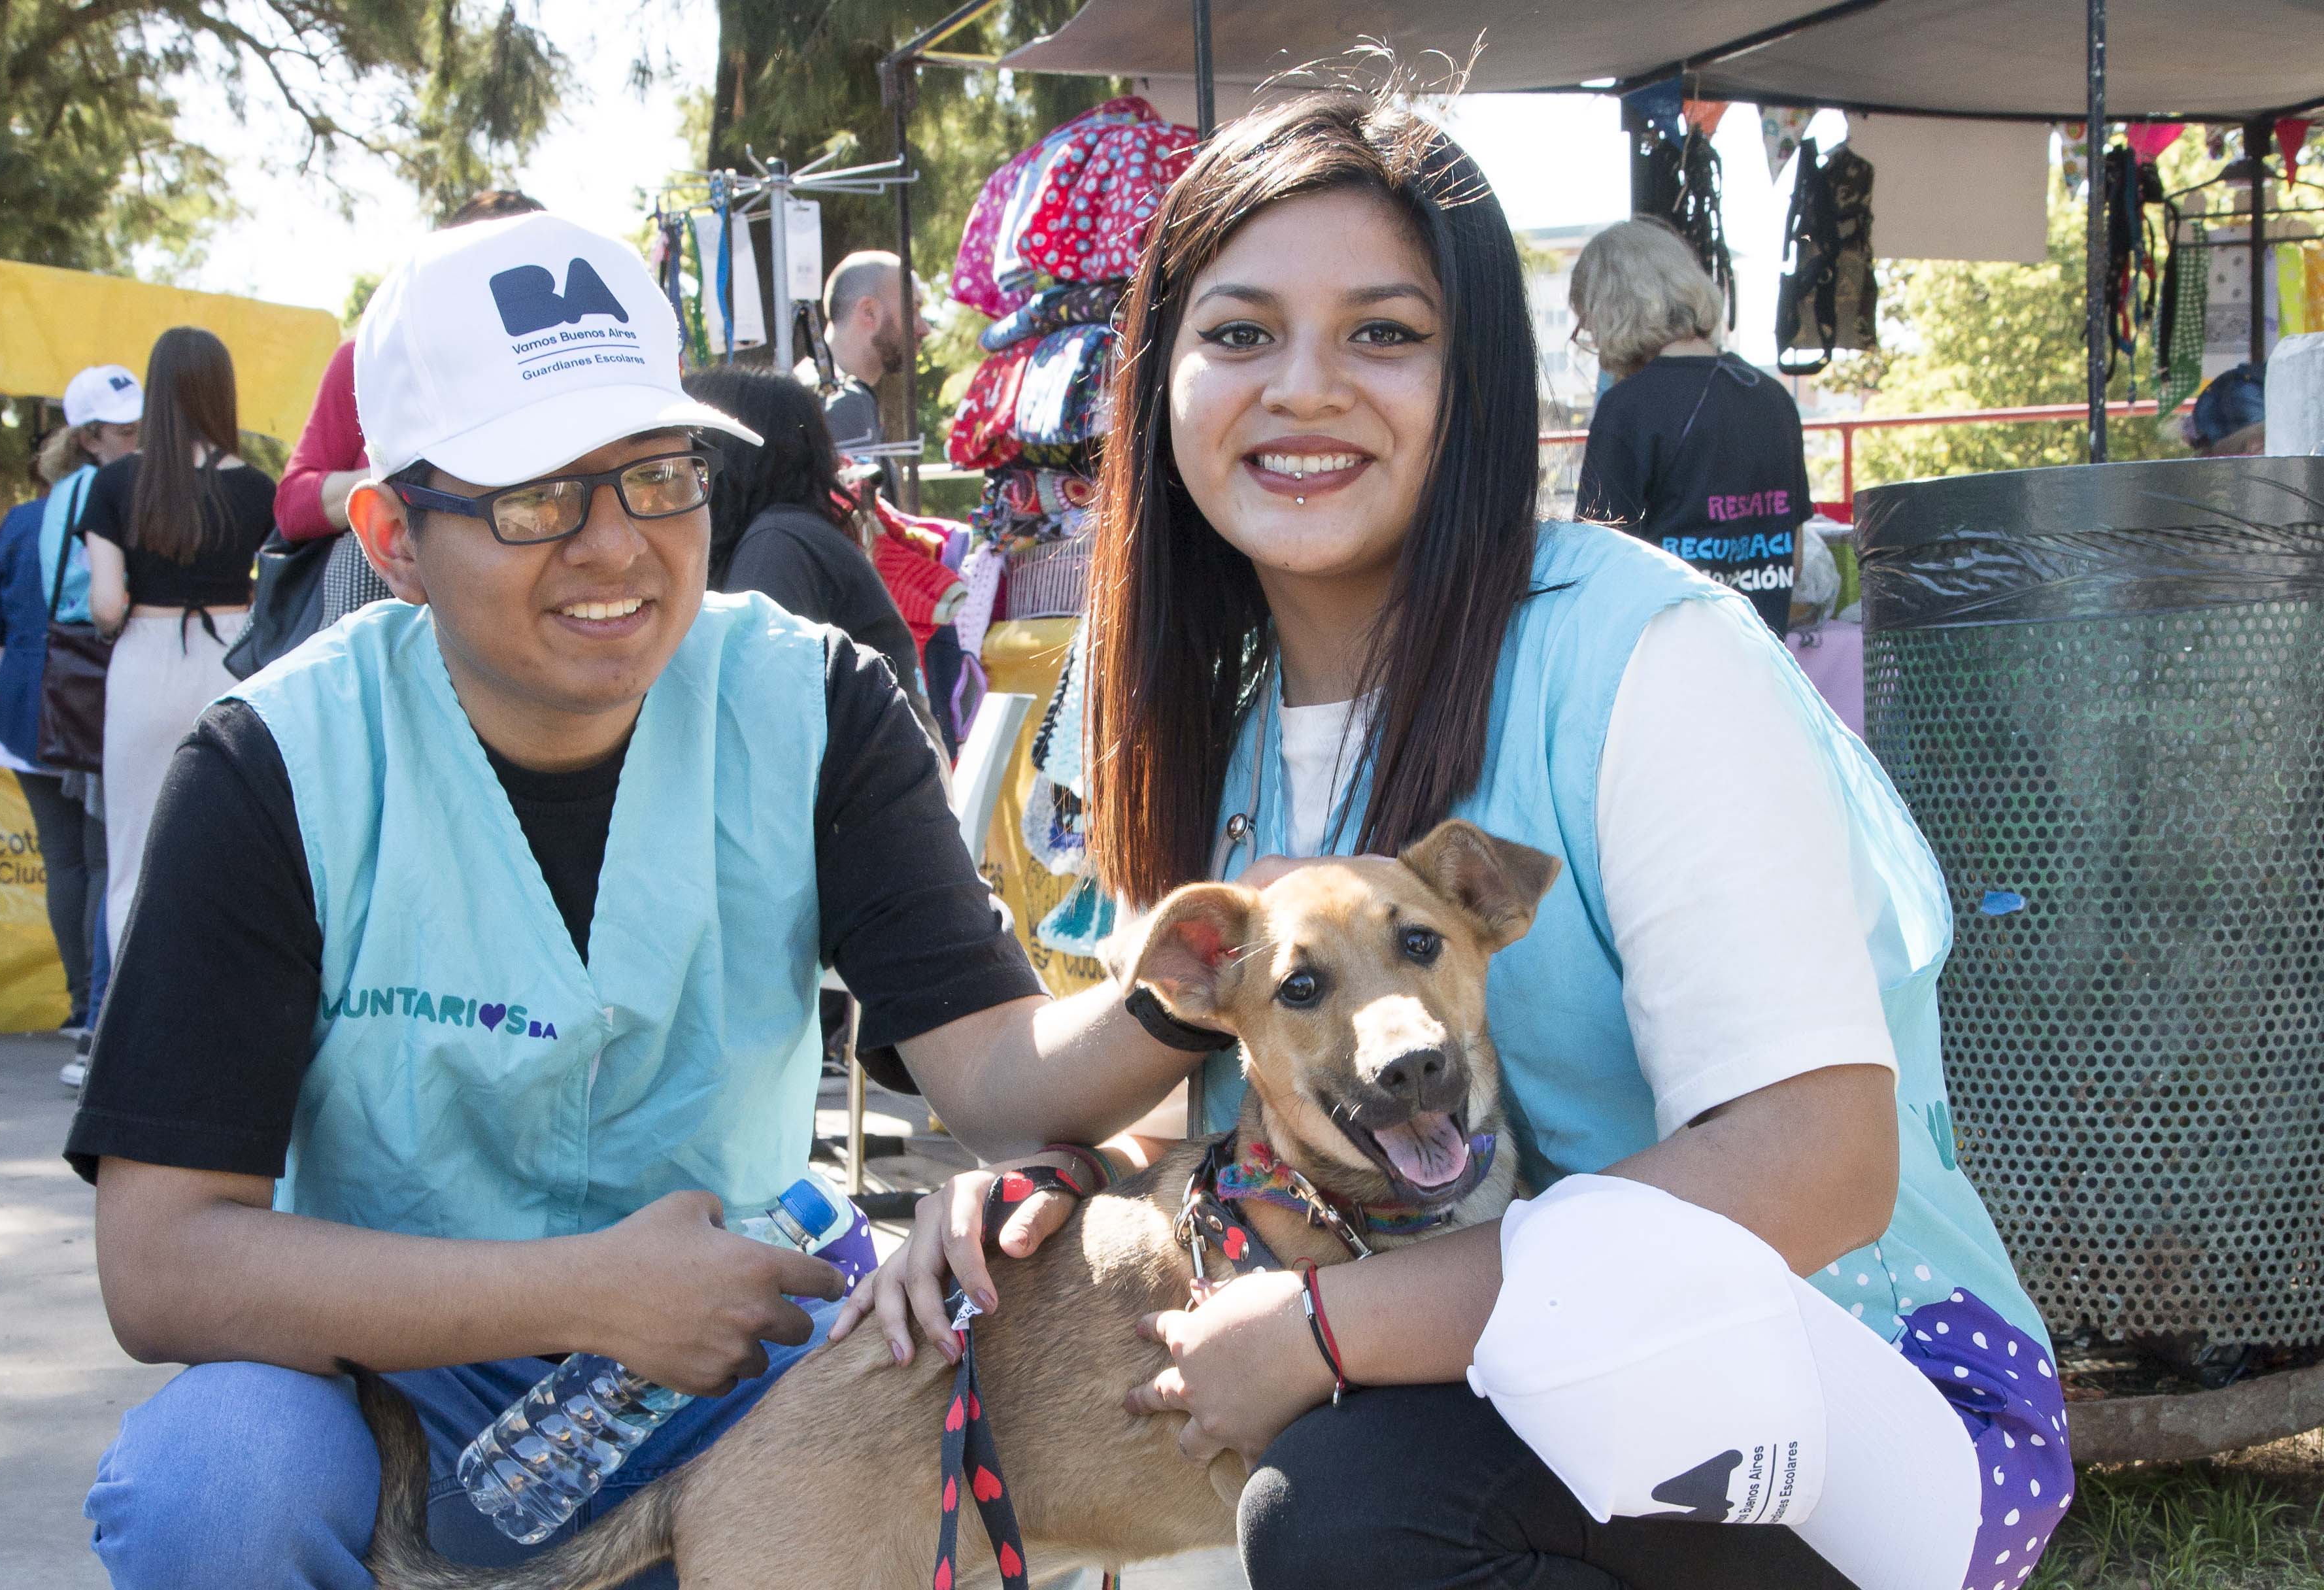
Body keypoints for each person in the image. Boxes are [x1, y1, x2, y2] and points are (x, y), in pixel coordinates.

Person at [836, 92, 2069, 1590]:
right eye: (1238, 335)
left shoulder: (1642, 654)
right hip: (1530, 1396)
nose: (1302, 387)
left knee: (1345, 1504)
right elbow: (1225, 1112)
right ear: (1158, 383)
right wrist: (1035, 1188)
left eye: (1383, 333)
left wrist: (1338, 1326)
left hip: (1849, 1407)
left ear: (1480, 375)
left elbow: (1814, 1168)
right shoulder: (1220, 721)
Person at [65, 211, 1215, 1589]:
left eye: (659, 476)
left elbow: (993, 1070)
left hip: (737, 1359)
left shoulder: (812, 702)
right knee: (215, 1484)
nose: (617, 547)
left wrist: (1185, 983)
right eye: (535, 495)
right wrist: (582, 1292)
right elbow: (163, 1263)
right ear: (393, 536)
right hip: (387, 1382)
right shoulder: (276, 765)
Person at [77, 327, 272, 964]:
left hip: (143, 660)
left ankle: (132, 1032)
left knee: (133, 855)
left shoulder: (113, 485)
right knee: (231, 848)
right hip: (233, 663)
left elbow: (106, 605)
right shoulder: (260, 490)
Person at [271, 191, 549, 630]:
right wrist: (403, 480)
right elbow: (294, 505)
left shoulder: (568, 371)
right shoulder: (369, 361)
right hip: (387, 634)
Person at [0, 365, 141, 1047]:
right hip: (93, 704)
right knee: (100, 861)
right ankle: (97, 1016)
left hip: (23, 711)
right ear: (92, 434)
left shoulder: (24, 518)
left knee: (69, 862)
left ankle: (83, 1007)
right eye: (129, 429)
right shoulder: (121, 503)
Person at [1572, 216, 1813, 637]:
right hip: (1763, 656)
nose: (1589, 334)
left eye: (1586, 319)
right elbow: (1793, 558)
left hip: (1665, 664)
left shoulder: (1627, 408)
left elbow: (1598, 568)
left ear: (1612, 311)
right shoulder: (1773, 397)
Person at [682, 365, 943, 749]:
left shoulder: (778, 544)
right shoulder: (793, 534)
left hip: (882, 795)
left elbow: (753, 725)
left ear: (728, 457)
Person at [817, 250, 930, 453]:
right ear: (869, 312)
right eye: (912, 310)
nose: (925, 329)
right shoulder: (844, 402)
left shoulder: (816, 392)